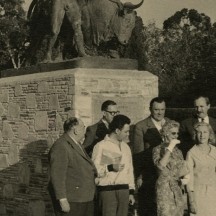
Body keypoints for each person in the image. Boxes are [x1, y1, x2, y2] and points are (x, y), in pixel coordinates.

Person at [49, 117, 97, 216]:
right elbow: (57, 175)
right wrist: (62, 199)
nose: (85, 131)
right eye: (83, 127)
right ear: (76, 130)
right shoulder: (61, 146)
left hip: (84, 198)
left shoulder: (77, 144)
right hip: (73, 200)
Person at [92, 114, 135, 216]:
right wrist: (110, 167)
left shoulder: (126, 147)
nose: (128, 134)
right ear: (117, 130)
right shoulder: (101, 146)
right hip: (108, 191)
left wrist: (131, 192)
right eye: (126, 131)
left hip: (124, 191)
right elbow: (94, 170)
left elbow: (130, 171)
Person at [133, 97, 170, 216]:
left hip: (167, 174)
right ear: (150, 109)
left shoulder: (170, 123)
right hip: (149, 173)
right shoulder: (141, 126)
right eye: (156, 109)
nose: (159, 113)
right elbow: (138, 154)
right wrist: (139, 175)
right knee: (149, 208)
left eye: (162, 109)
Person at [152, 120, 190, 216]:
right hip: (164, 189)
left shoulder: (178, 151)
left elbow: (182, 169)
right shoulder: (157, 149)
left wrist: (185, 177)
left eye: (177, 133)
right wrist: (170, 148)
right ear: (165, 133)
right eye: (173, 133)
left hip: (177, 187)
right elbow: (160, 167)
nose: (176, 136)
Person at [186, 122, 216, 216]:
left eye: (205, 132)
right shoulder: (191, 153)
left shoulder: (215, 150)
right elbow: (188, 179)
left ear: (209, 134)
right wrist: (191, 201)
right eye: (199, 132)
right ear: (195, 134)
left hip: (213, 192)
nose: (202, 135)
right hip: (198, 194)